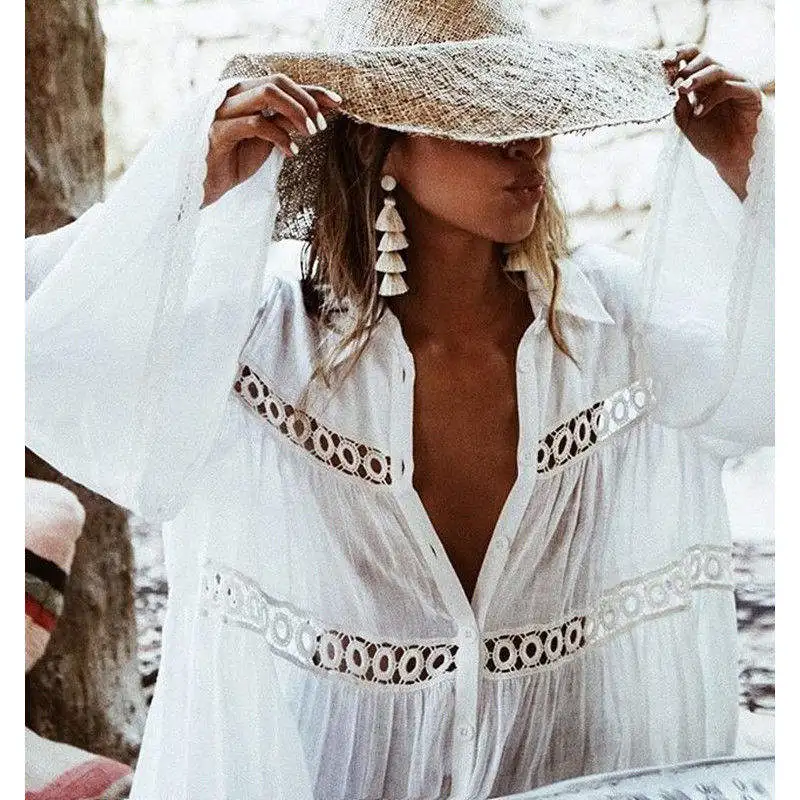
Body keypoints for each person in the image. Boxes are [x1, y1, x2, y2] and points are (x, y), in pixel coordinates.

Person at [25, 0, 773, 797]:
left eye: (532, 106)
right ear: (380, 144)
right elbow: (40, 338)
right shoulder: (259, 346)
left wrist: (753, 172)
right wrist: (182, 189)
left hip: (572, 773)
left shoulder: (613, 328)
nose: (527, 140)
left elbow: (767, 382)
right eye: (482, 114)